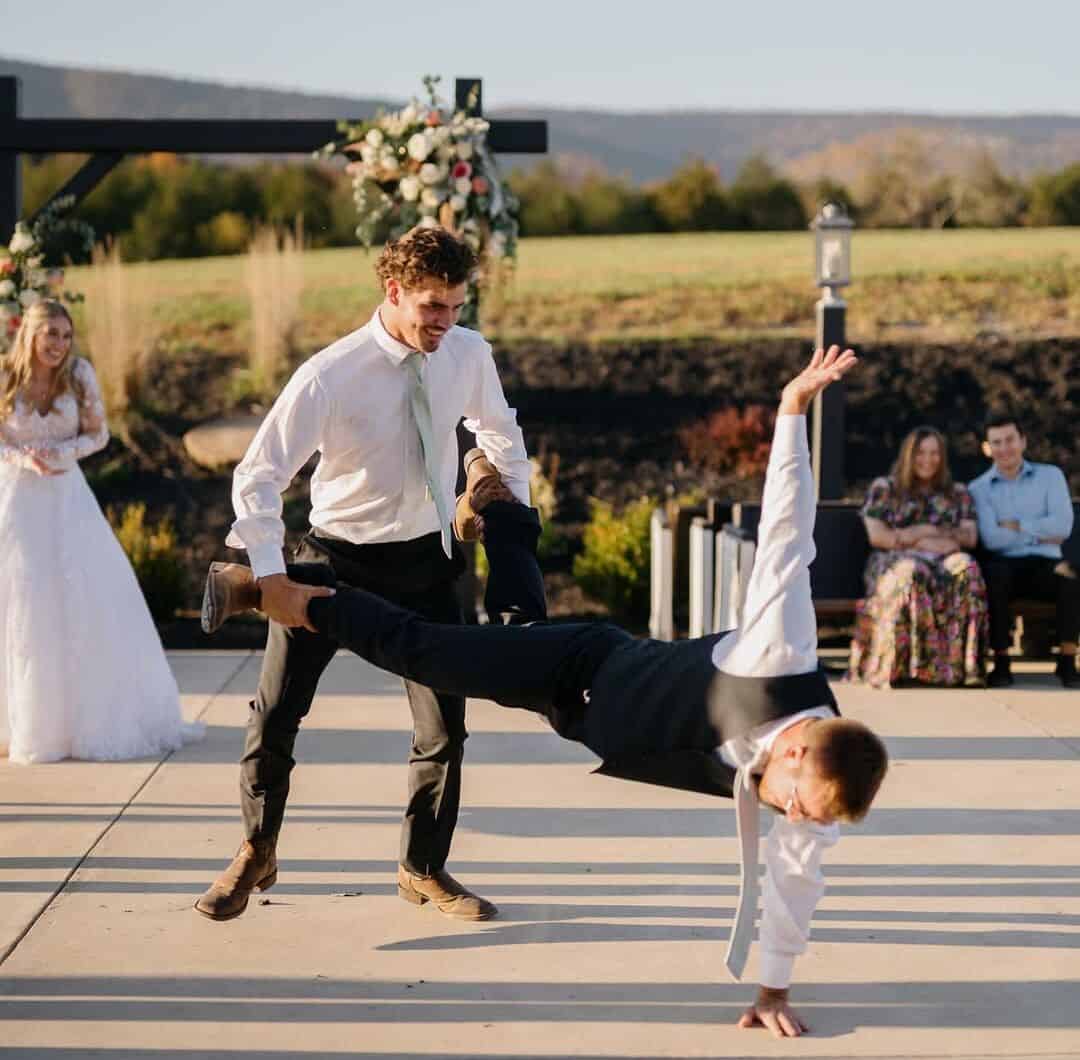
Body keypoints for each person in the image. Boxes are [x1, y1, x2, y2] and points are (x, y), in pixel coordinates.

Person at [203, 346, 889, 1039]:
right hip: (584, 665)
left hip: (580, 710)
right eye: (799, 800)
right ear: (798, 745)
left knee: (517, 621)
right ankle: (272, 590)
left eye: (806, 812)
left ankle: (489, 500)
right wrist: (792, 411)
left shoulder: (818, 794)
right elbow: (786, 536)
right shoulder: (781, 651)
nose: (795, 814)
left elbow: (796, 882)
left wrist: (773, 989)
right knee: (431, 653)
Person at [196, 225, 542, 924]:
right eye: (430, 307)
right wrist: (273, 577)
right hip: (334, 561)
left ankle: (422, 868)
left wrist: (508, 512)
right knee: (277, 713)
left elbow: (500, 430)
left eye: (455, 305)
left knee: (444, 728)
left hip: (429, 559)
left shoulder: (468, 354)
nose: (444, 322)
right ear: (393, 292)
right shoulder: (330, 373)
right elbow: (258, 476)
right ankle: (256, 848)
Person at [0, 300, 198, 763]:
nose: (59, 345)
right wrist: (22, 456)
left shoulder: (79, 374)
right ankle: (20, 720)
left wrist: (64, 453)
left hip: (66, 495)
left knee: (82, 596)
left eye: (66, 336)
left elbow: (100, 433)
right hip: (17, 498)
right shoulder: (6, 374)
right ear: (29, 332)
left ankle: (76, 722)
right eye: (51, 334)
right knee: (21, 600)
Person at [848, 427, 988, 688]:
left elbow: (969, 537)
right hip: (895, 561)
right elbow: (878, 536)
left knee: (968, 568)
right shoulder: (886, 488)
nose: (928, 459)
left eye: (935, 453)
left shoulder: (957, 493)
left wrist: (924, 535)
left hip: (944, 559)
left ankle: (962, 669)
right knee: (911, 571)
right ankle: (902, 669)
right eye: (921, 453)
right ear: (908, 456)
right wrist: (922, 535)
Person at [968, 412, 1078, 688]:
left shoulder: (1050, 476)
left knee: (1071, 577)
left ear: (1023, 441)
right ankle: (1002, 664)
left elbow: (1063, 527)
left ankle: (1067, 662)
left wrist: (1016, 526)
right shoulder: (978, 488)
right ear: (986, 448)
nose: (1004, 448)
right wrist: (1041, 533)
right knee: (994, 577)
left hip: (1046, 564)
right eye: (997, 442)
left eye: (1010, 440)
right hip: (1004, 566)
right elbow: (992, 540)